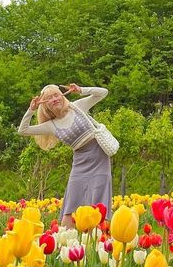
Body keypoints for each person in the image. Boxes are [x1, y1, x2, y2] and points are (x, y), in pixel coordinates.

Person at [18, 83, 113, 227]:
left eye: (56, 94)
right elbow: (23, 130)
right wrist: (31, 110)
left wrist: (81, 90)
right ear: (45, 105)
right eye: (49, 98)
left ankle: (102, 239)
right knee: (72, 202)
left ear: (62, 95)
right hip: (79, 162)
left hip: (99, 157)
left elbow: (103, 92)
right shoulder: (51, 125)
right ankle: (65, 241)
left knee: (99, 199)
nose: (55, 99)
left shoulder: (77, 106)